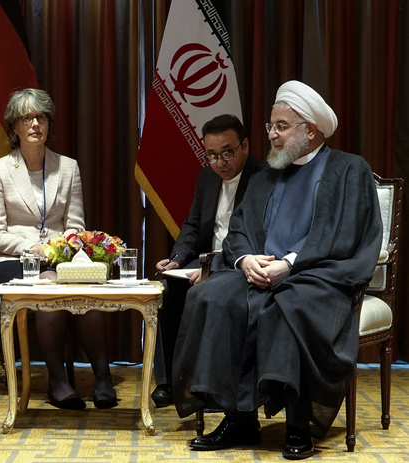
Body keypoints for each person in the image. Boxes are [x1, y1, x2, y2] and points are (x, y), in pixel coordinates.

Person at [172, 80, 382, 460]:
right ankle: (239, 418)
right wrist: (245, 260)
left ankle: (298, 423)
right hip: (258, 273)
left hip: (319, 276)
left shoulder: (348, 169)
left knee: (287, 306)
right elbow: (239, 229)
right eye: (271, 126)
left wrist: (290, 264)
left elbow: (347, 236)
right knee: (212, 295)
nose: (271, 134)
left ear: (310, 130)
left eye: (281, 126)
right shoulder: (267, 174)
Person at [0, 88, 117, 410]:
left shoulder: (67, 167)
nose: (35, 124)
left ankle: (103, 378)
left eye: (41, 117)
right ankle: (57, 382)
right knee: (49, 293)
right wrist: (34, 247)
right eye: (26, 118)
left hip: (60, 259)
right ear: (14, 127)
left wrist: (61, 246)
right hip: (13, 260)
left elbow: (75, 223)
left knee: (90, 290)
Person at [151, 114, 264, 408]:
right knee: (165, 291)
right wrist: (176, 260)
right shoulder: (206, 177)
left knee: (203, 293)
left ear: (245, 146)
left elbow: (253, 237)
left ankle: (206, 386)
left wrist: (213, 269)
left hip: (239, 266)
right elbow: (192, 225)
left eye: (228, 152)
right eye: (212, 155)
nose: (220, 162)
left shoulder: (263, 177)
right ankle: (168, 383)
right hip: (204, 261)